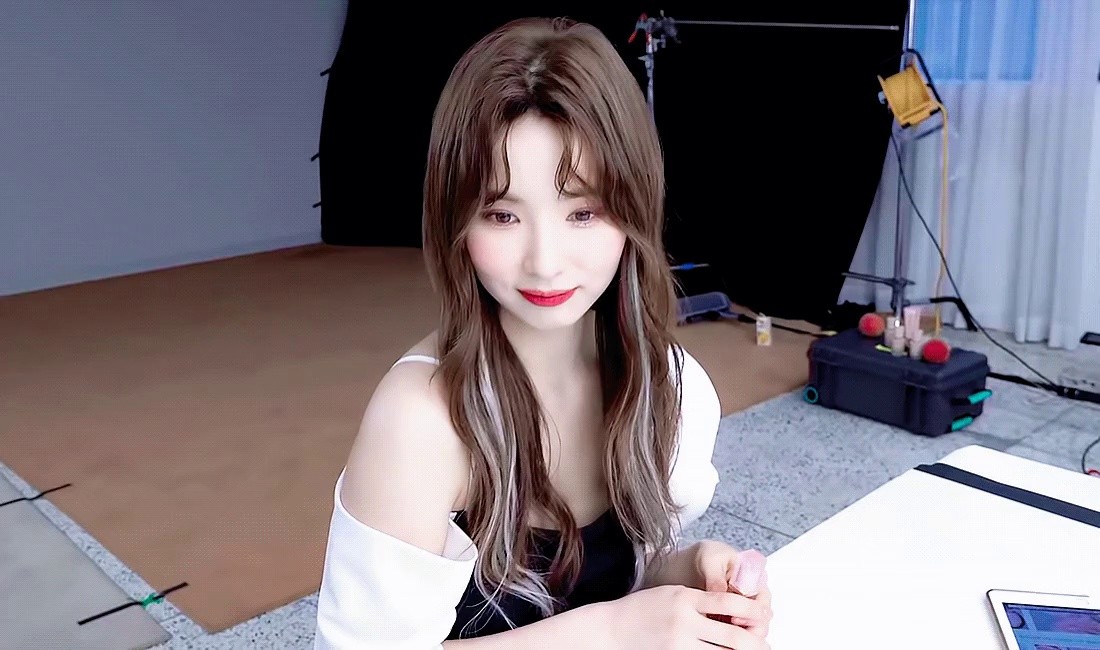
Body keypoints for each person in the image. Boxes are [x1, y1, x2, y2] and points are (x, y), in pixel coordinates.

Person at [313, 16, 774, 649]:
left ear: (635, 208)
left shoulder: (668, 384)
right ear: (455, 222)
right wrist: (611, 634)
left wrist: (689, 578)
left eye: (583, 212)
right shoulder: (421, 421)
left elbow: (616, 589)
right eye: (501, 215)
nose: (545, 262)